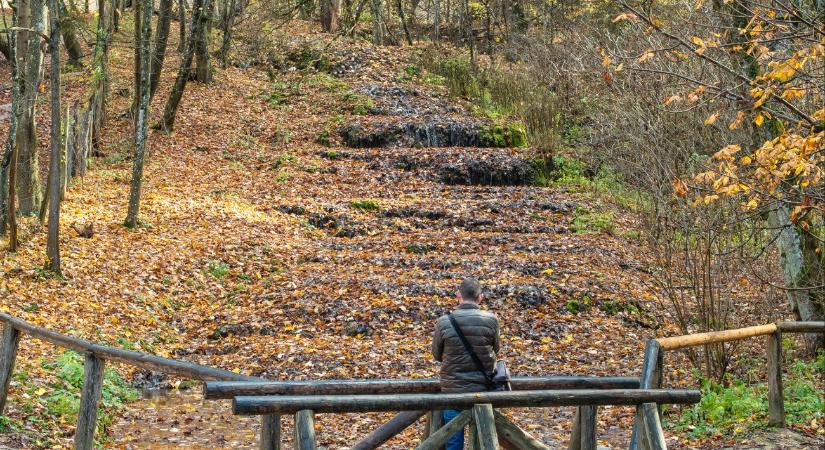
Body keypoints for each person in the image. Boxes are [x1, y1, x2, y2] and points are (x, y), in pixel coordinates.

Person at [431, 277, 501, 450]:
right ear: (480, 297)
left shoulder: (444, 322)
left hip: (453, 390)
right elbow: (496, 350)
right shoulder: (491, 320)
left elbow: (437, 355)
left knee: (453, 440)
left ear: (458, 295)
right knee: (484, 439)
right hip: (483, 390)